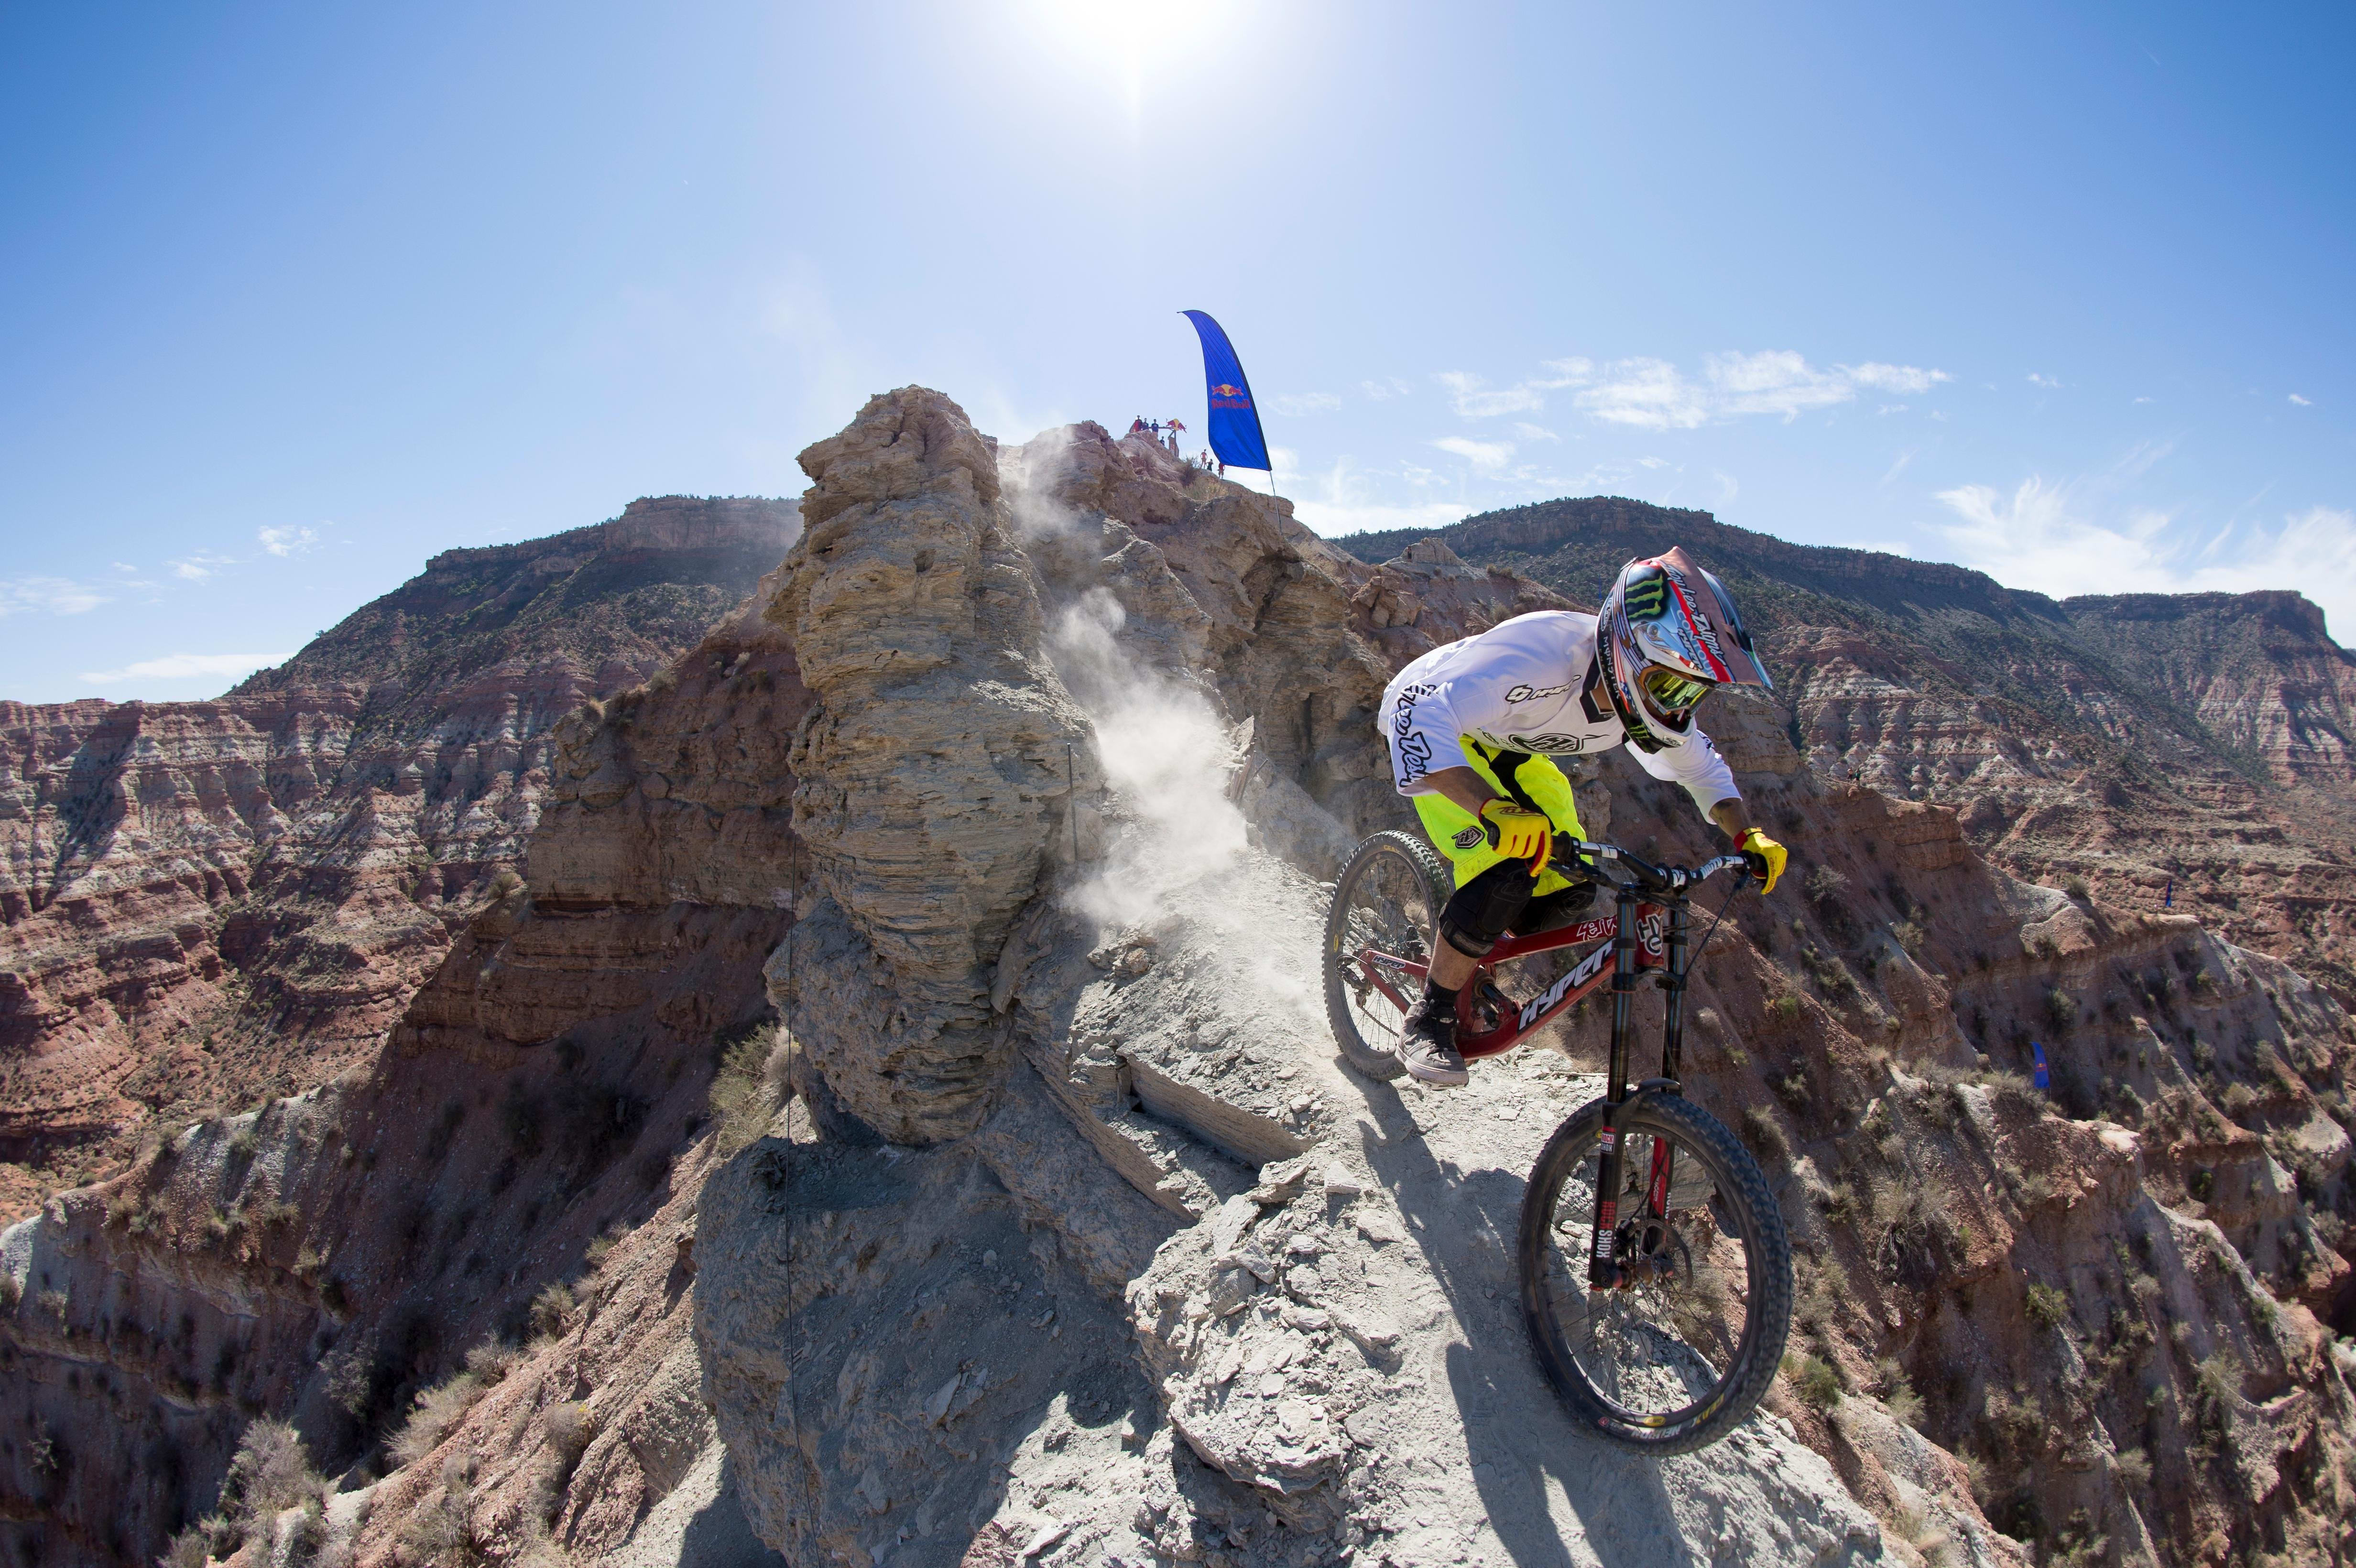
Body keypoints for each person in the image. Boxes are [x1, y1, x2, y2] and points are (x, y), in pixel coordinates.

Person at [1375, 547, 1790, 1085]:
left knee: (1567, 881)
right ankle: (1429, 1016)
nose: (1678, 707)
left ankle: (1473, 963)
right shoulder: (1541, 657)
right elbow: (1421, 706)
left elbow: (1699, 765)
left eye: (1691, 692)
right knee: (1509, 864)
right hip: (1437, 721)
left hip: (1511, 738)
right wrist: (1491, 807)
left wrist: (1746, 834)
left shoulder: (1638, 689)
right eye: (1669, 687)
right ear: (1628, 654)